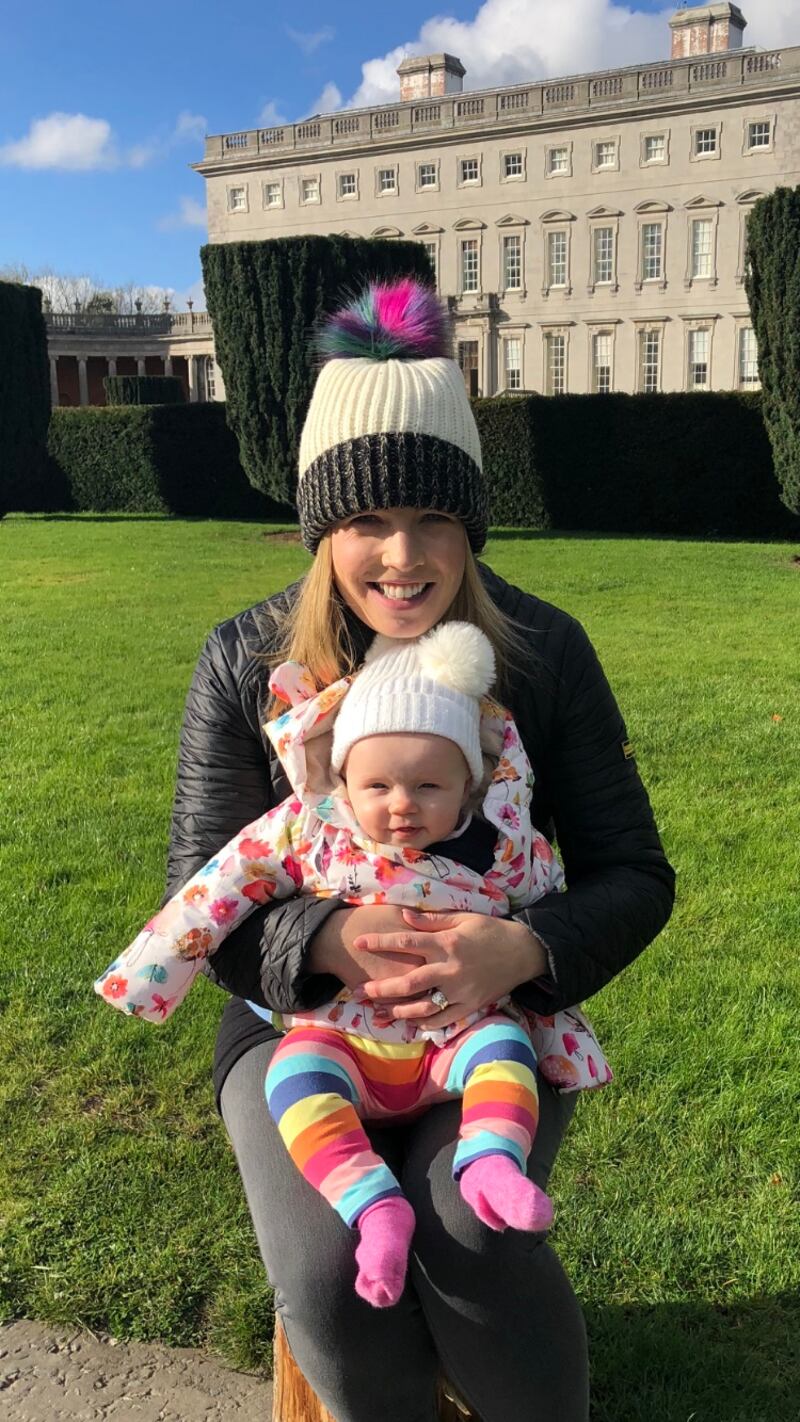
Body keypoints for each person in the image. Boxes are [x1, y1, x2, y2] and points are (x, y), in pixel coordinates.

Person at [162, 278, 675, 1421]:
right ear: (322, 529)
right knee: (329, 1276)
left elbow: (633, 873)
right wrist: (322, 938)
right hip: (295, 1028)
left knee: (471, 1239)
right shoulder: (245, 658)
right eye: (366, 521)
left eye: (434, 519)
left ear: (471, 526)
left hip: (488, 1019)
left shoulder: (539, 650)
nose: (402, 556)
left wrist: (520, 951)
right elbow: (201, 889)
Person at [96, 619, 613, 1309]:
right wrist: (152, 968)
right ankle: (373, 1205)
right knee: (295, 1078)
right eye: (377, 786)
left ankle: (492, 1159)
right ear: (342, 778)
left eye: (428, 785)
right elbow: (218, 884)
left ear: (468, 782)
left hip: (454, 1035)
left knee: (505, 1050)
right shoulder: (309, 831)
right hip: (342, 1036)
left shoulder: (503, 845)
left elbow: (563, 907)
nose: (402, 806)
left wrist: (528, 949)